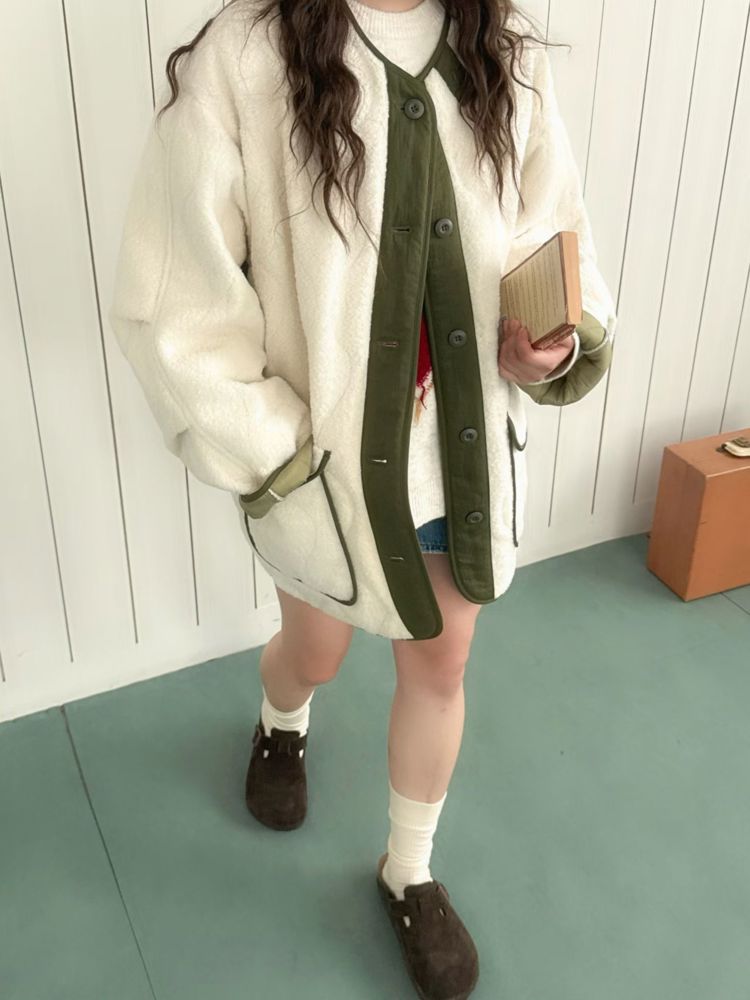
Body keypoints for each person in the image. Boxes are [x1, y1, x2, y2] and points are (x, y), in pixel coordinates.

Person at [108, 0, 618, 996]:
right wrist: (278, 458)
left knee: (443, 662)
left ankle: (409, 870)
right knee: (319, 649)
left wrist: (548, 340)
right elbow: (176, 300)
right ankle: (282, 717)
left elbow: (554, 230)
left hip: (460, 458)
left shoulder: (499, 49)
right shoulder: (247, 56)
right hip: (328, 473)